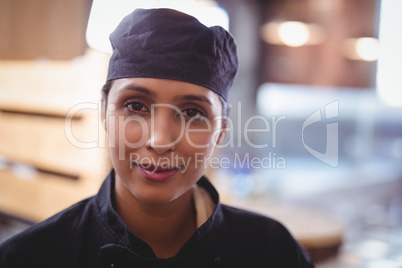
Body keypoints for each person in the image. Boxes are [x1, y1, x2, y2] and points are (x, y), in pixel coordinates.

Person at [0, 8, 314, 267]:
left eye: (193, 113)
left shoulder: (273, 251)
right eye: (135, 106)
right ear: (104, 113)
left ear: (222, 128)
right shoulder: (30, 257)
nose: (161, 140)